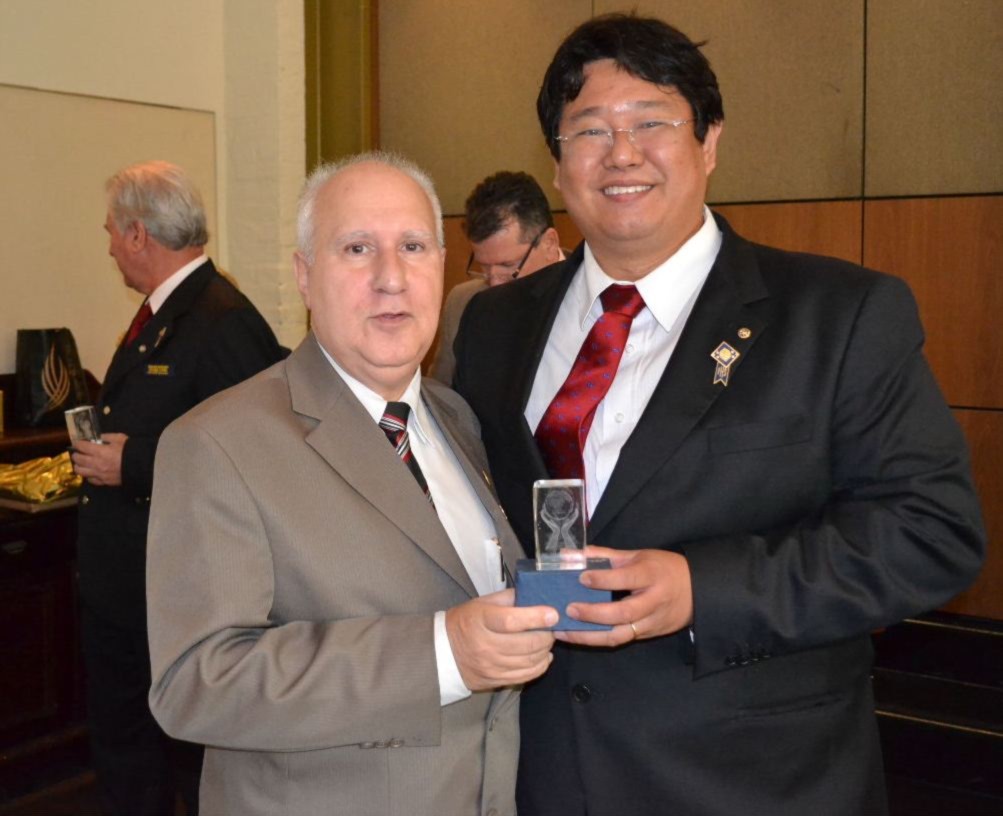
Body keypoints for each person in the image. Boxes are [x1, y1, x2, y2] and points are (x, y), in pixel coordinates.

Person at [453, 14, 986, 816]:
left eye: (651, 123)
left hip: (751, 780)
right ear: (557, 165)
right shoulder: (494, 326)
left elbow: (930, 534)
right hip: (539, 770)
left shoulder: (836, 315)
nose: (621, 153)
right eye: (589, 130)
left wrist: (703, 590)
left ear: (708, 143)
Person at [145, 152, 557, 816]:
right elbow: (196, 683)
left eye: (413, 247)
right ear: (305, 276)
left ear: (441, 268)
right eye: (357, 248)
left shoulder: (456, 417)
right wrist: (440, 655)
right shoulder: (216, 443)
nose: (391, 278)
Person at [70, 160, 286, 816]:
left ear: (139, 234)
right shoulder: (166, 312)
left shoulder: (221, 318)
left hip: (174, 588)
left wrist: (134, 464)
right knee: (130, 749)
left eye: (113, 231)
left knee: (175, 759)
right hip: (130, 587)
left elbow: (261, 454)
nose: (109, 245)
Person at [429, 171, 563, 384]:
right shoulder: (462, 302)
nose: (494, 283)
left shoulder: (593, 296)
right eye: (484, 266)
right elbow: (442, 393)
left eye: (507, 266)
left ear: (549, 243)